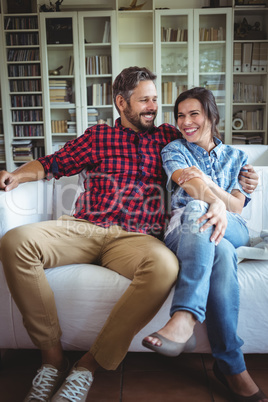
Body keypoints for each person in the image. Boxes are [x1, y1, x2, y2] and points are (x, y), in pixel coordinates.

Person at [0, 68, 258, 402]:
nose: (154, 106)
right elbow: (54, 163)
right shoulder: (98, 137)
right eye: (145, 100)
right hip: (84, 227)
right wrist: (17, 176)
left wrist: (245, 178)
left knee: (165, 267)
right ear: (122, 103)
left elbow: (206, 150)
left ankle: (89, 365)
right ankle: (51, 360)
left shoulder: (170, 137)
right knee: (15, 242)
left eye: (155, 99)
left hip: (139, 237)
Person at [142, 87, 267, 402]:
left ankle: (184, 317)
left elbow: (237, 208)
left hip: (233, 226)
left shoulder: (238, 158)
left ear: (211, 115)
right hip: (184, 228)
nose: (186, 122)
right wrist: (215, 196)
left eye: (193, 114)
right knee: (219, 245)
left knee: (205, 211)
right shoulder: (173, 149)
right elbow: (191, 185)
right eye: (181, 115)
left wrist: (215, 196)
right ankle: (232, 369)